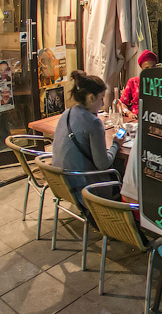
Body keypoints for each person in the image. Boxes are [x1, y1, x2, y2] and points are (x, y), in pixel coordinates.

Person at [51, 71, 127, 212]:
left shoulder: (66, 113)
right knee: (122, 167)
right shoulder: (93, 123)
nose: (103, 103)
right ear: (91, 98)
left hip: (61, 183)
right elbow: (103, 164)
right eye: (101, 98)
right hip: (84, 188)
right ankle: (117, 217)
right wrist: (116, 143)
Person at [120, 50, 158, 115]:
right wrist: (128, 113)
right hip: (136, 119)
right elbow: (121, 103)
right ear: (142, 69)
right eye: (147, 68)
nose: (151, 70)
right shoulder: (133, 82)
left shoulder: (161, 83)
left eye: (153, 67)